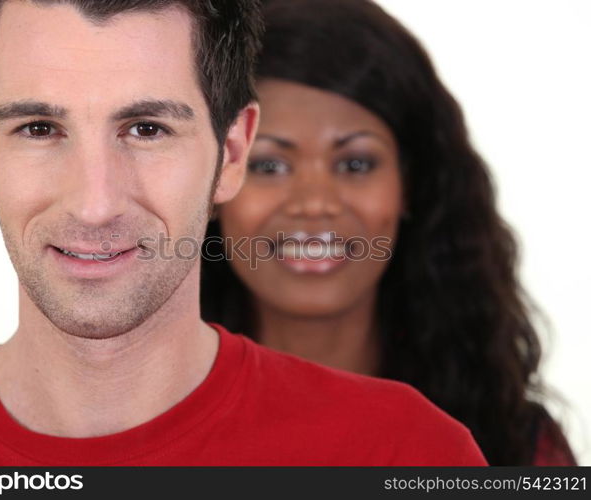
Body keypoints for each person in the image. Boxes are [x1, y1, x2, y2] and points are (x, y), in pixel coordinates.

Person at [0, 0, 486, 466]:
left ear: (231, 152)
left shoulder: (408, 451)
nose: (95, 205)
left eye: (147, 129)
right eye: (40, 127)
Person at [201, 0, 576, 465]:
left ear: (412, 185)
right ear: (213, 185)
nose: (315, 202)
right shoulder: (130, 420)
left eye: (356, 163)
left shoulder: (517, 445)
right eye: (270, 165)